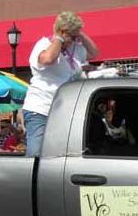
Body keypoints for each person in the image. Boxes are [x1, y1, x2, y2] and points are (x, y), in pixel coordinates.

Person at [22, 11, 99, 157]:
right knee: (36, 154)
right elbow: (48, 59)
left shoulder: (75, 48)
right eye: (72, 36)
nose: (75, 40)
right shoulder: (44, 44)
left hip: (63, 111)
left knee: (59, 154)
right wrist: (59, 39)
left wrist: (80, 35)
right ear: (63, 32)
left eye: (76, 36)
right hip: (41, 109)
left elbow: (94, 53)